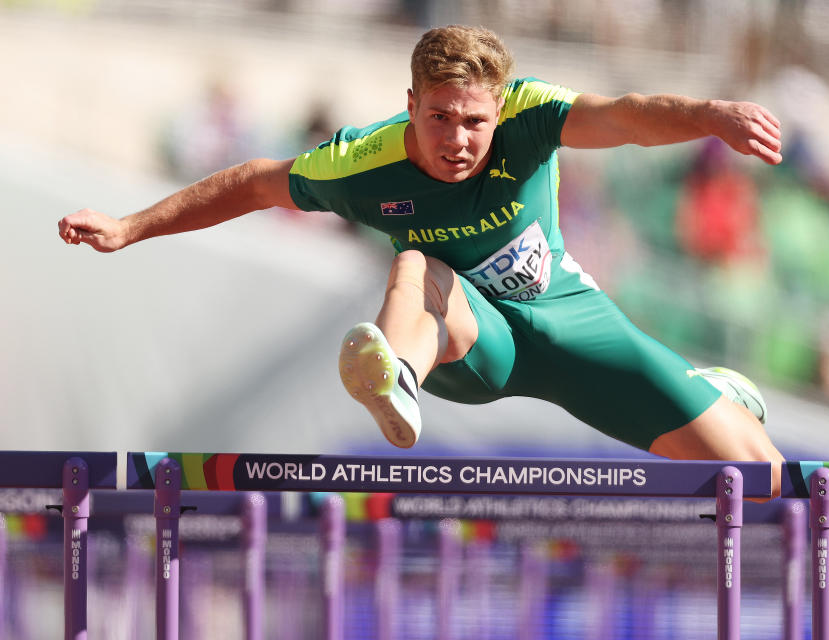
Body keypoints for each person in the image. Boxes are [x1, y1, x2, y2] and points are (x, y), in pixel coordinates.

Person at [58, 25, 785, 496]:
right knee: (414, 267)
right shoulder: (360, 162)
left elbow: (626, 114)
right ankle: (391, 375)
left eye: (474, 121)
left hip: (567, 321)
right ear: (411, 105)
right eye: (439, 118)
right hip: (466, 343)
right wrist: (131, 226)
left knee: (762, 473)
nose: (458, 139)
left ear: (499, 111)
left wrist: (708, 116)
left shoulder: (533, 114)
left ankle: (706, 387)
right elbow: (251, 183)